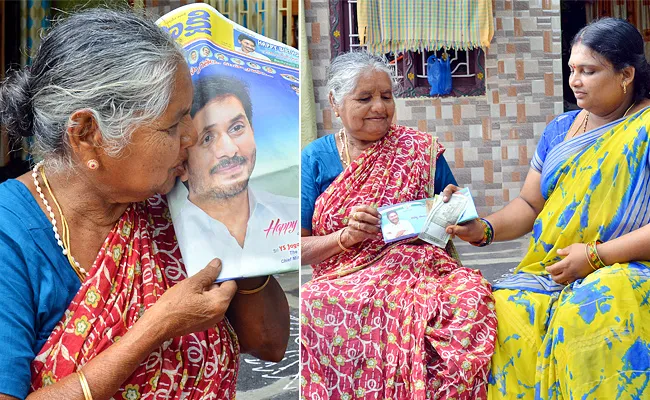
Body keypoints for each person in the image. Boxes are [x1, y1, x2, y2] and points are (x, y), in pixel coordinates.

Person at [0, 9, 289, 400]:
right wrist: (157, 326)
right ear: (88, 135)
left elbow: (269, 346)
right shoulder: (10, 234)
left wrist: (239, 233)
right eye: (172, 126)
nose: (191, 137)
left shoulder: (171, 203)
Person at [444, 18, 650, 399]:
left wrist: (595, 256)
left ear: (626, 75)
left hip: (627, 265)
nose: (575, 80)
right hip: (553, 269)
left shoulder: (645, 128)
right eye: (572, 69)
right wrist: (483, 228)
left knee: (591, 309)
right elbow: (528, 204)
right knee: (503, 312)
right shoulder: (561, 129)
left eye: (588, 71)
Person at [300, 51, 497, 399]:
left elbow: (470, 226)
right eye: (364, 98)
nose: (380, 107)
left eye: (387, 96)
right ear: (335, 102)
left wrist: (454, 212)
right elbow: (292, 249)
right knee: (314, 302)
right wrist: (344, 237)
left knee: (471, 297)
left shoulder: (419, 150)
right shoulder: (316, 159)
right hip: (343, 279)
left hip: (422, 272)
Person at [169, 74, 298, 279]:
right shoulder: (168, 238)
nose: (229, 150)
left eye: (237, 128)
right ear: (181, 163)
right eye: (208, 138)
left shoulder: (293, 214)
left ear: (253, 132)